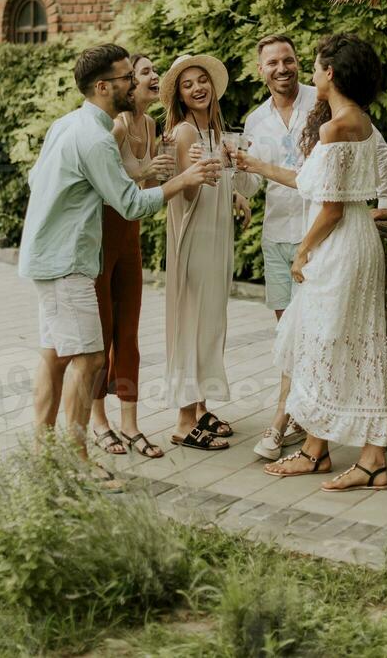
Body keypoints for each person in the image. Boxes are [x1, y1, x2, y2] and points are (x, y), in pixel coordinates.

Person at [18, 44, 219, 468]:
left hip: (47, 256)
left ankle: (42, 458)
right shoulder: (95, 137)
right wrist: (182, 179)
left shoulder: (67, 123)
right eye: (129, 77)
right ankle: (77, 464)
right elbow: (129, 204)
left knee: (55, 356)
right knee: (90, 358)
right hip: (67, 262)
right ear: (105, 86)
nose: (137, 82)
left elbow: (38, 178)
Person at [238, 33, 387, 490]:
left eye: (316, 66)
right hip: (359, 240)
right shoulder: (356, 119)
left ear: (331, 74)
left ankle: (348, 456)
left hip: (339, 245)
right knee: (346, 345)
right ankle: (345, 454)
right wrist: (255, 166)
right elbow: (310, 181)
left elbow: (331, 207)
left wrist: (303, 249)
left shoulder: (333, 128)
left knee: (323, 344)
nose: (310, 73)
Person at [160, 54, 254, 451]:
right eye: (188, 84)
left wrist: (234, 188)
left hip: (217, 236)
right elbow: (188, 191)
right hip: (194, 237)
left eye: (202, 81)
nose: (198, 87)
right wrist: (197, 172)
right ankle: (183, 421)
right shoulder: (184, 133)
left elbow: (225, 183)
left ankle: (200, 407)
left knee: (211, 321)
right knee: (192, 320)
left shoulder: (216, 132)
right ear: (179, 96)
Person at [92, 54, 173, 460]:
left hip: (131, 235)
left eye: (154, 70)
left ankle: (131, 425)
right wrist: (146, 172)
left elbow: (153, 183)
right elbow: (112, 185)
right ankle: (98, 422)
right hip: (104, 234)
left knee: (129, 331)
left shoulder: (152, 124)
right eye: (145, 72)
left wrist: (169, 167)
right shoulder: (117, 126)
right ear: (129, 85)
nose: (154, 76)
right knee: (101, 331)